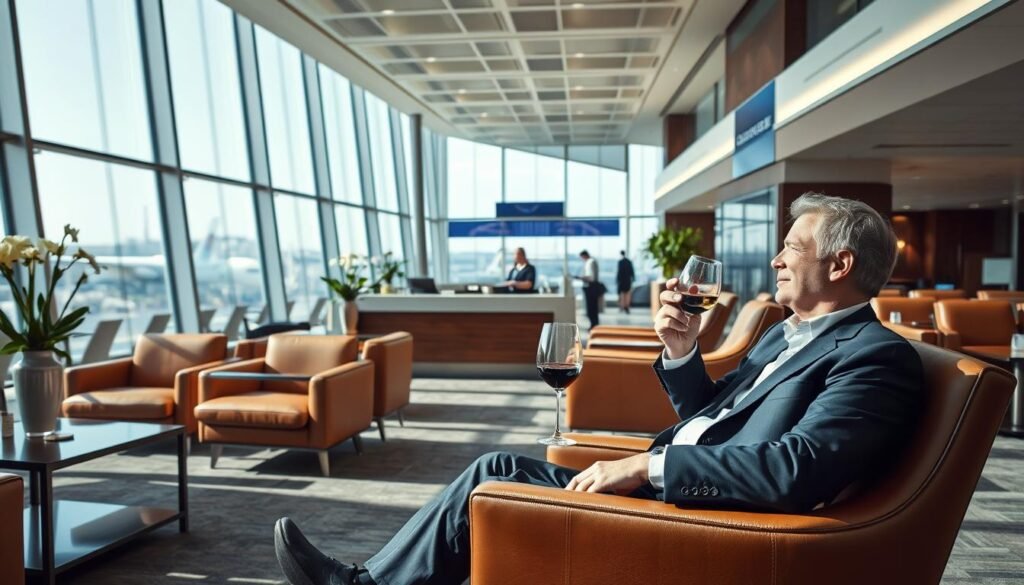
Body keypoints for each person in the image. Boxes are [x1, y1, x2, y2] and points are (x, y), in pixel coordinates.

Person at [273, 192, 923, 585]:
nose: (776, 259)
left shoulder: (876, 357)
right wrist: (681, 351)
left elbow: (798, 469)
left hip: (712, 521)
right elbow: (717, 417)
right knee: (494, 467)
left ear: (839, 265)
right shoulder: (787, 334)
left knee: (492, 480)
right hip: (683, 490)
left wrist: (648, 463)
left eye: (791, 248)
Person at [576, 249, 601, 328]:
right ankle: (594, 324)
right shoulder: (592, 261)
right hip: (593, 286)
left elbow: (591, 277)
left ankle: (594, 325)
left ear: (584, 255)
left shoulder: (590, 262)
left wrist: (580, 278)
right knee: (593, 307)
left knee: (591, 307)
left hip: (591, 287)